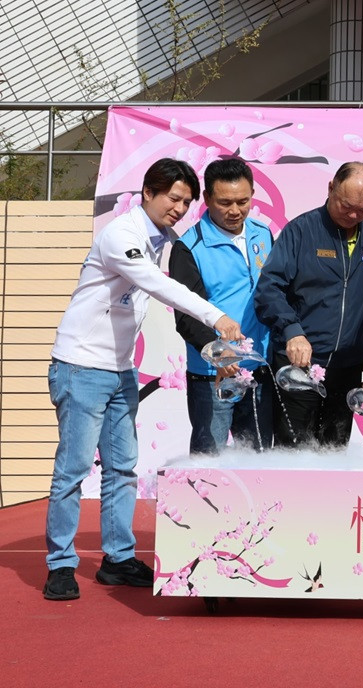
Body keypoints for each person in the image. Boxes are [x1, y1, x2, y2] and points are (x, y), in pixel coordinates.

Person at [44, 158, 243, 601]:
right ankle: (60, 564)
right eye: (174, 198)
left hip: (120, 371)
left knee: (121, 469)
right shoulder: (121, 235)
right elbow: (155, 284)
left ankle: (117, 559)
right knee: (73, 470)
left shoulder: (161, 239)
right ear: (148, 193)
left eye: (187, 202)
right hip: (81, 366)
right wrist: (216, 316)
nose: (180, 208)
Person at [254, 161, 363, 448]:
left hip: (346, 370)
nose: (353, 215)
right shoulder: (300, 231)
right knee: (292, 455)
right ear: (331, 188)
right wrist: (292, 331)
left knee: (334, 453)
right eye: (346, 205)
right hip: (298, 366)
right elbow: (269, 289)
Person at [169, 157, 274, 454]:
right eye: (225, 202)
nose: (235, 211)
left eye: (243, 201)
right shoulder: (188, 248)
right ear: (207, 199)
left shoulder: (262, 234)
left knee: (258, 461)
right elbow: (186, 315)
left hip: (257, 369)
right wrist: (218, 354)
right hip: (211, 375)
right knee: (208, 461)